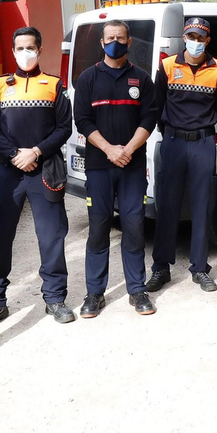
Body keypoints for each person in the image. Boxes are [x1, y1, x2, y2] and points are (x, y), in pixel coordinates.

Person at [0, 27, 76, 327]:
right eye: (20, 48)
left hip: (44, 170)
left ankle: (55, 298)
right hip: (7, 172)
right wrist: (13, 155)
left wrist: (35, 152)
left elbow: (64, 128)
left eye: (31, 47)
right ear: (12, 51)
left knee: (51, 236)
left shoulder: (54, 85)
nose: (26, 53)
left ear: (40, 49)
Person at [72, 18, 159, 317]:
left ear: (129, 42)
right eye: (110, 38)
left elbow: (149, 119)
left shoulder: (142, 79)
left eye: (121, 38)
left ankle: (137, 290)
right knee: (98, 228)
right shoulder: (88, 78)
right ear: (101, 43)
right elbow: (82, 120)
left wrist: (128, 150)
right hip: (99, 167)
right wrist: (109, 150)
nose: (116, 43)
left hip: (132, 167)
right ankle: (94, 293)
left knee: (134, 227)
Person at [149, 17, 217, 293]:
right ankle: (161, 268)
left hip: (203, 142)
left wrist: (197, 128)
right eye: (191, 37)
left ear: (208, 40)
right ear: (184, 38)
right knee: (167, 205)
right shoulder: (168, 65)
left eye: (201, 38)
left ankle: (200, 268)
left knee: (202, 205)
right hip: (173, 141)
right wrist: (171, 130)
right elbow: (158, 103)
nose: (196, 42)